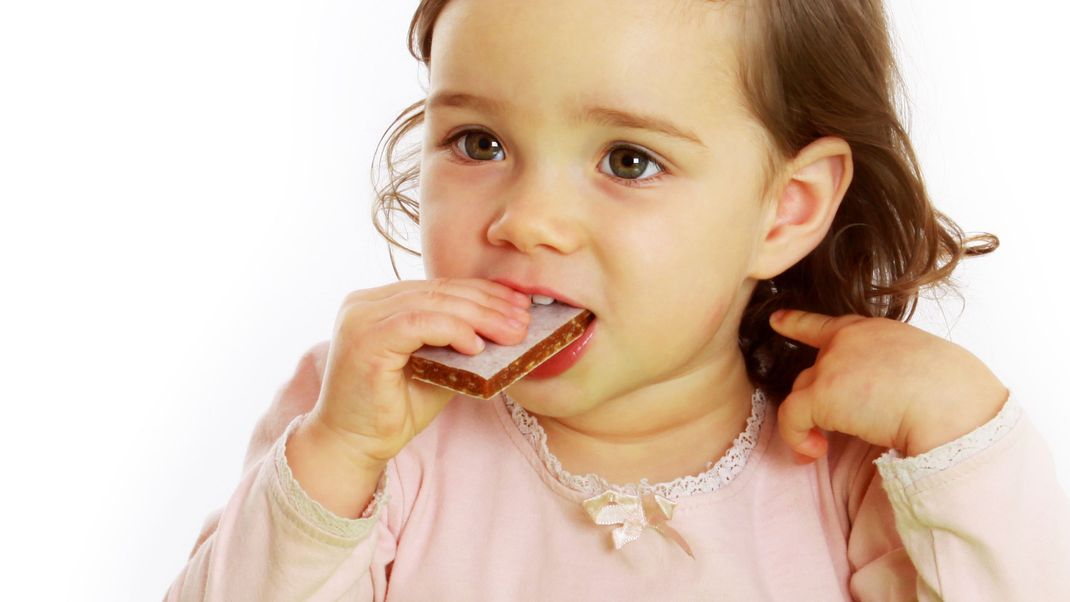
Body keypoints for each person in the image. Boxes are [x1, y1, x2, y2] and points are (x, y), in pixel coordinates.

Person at [165, 0, 1070, 599]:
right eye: (478, 142)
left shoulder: (851, 475)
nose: (528, 221)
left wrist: (965, 435)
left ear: (784, 210)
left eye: (628, 160)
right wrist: (336, 456)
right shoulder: (375, 426)